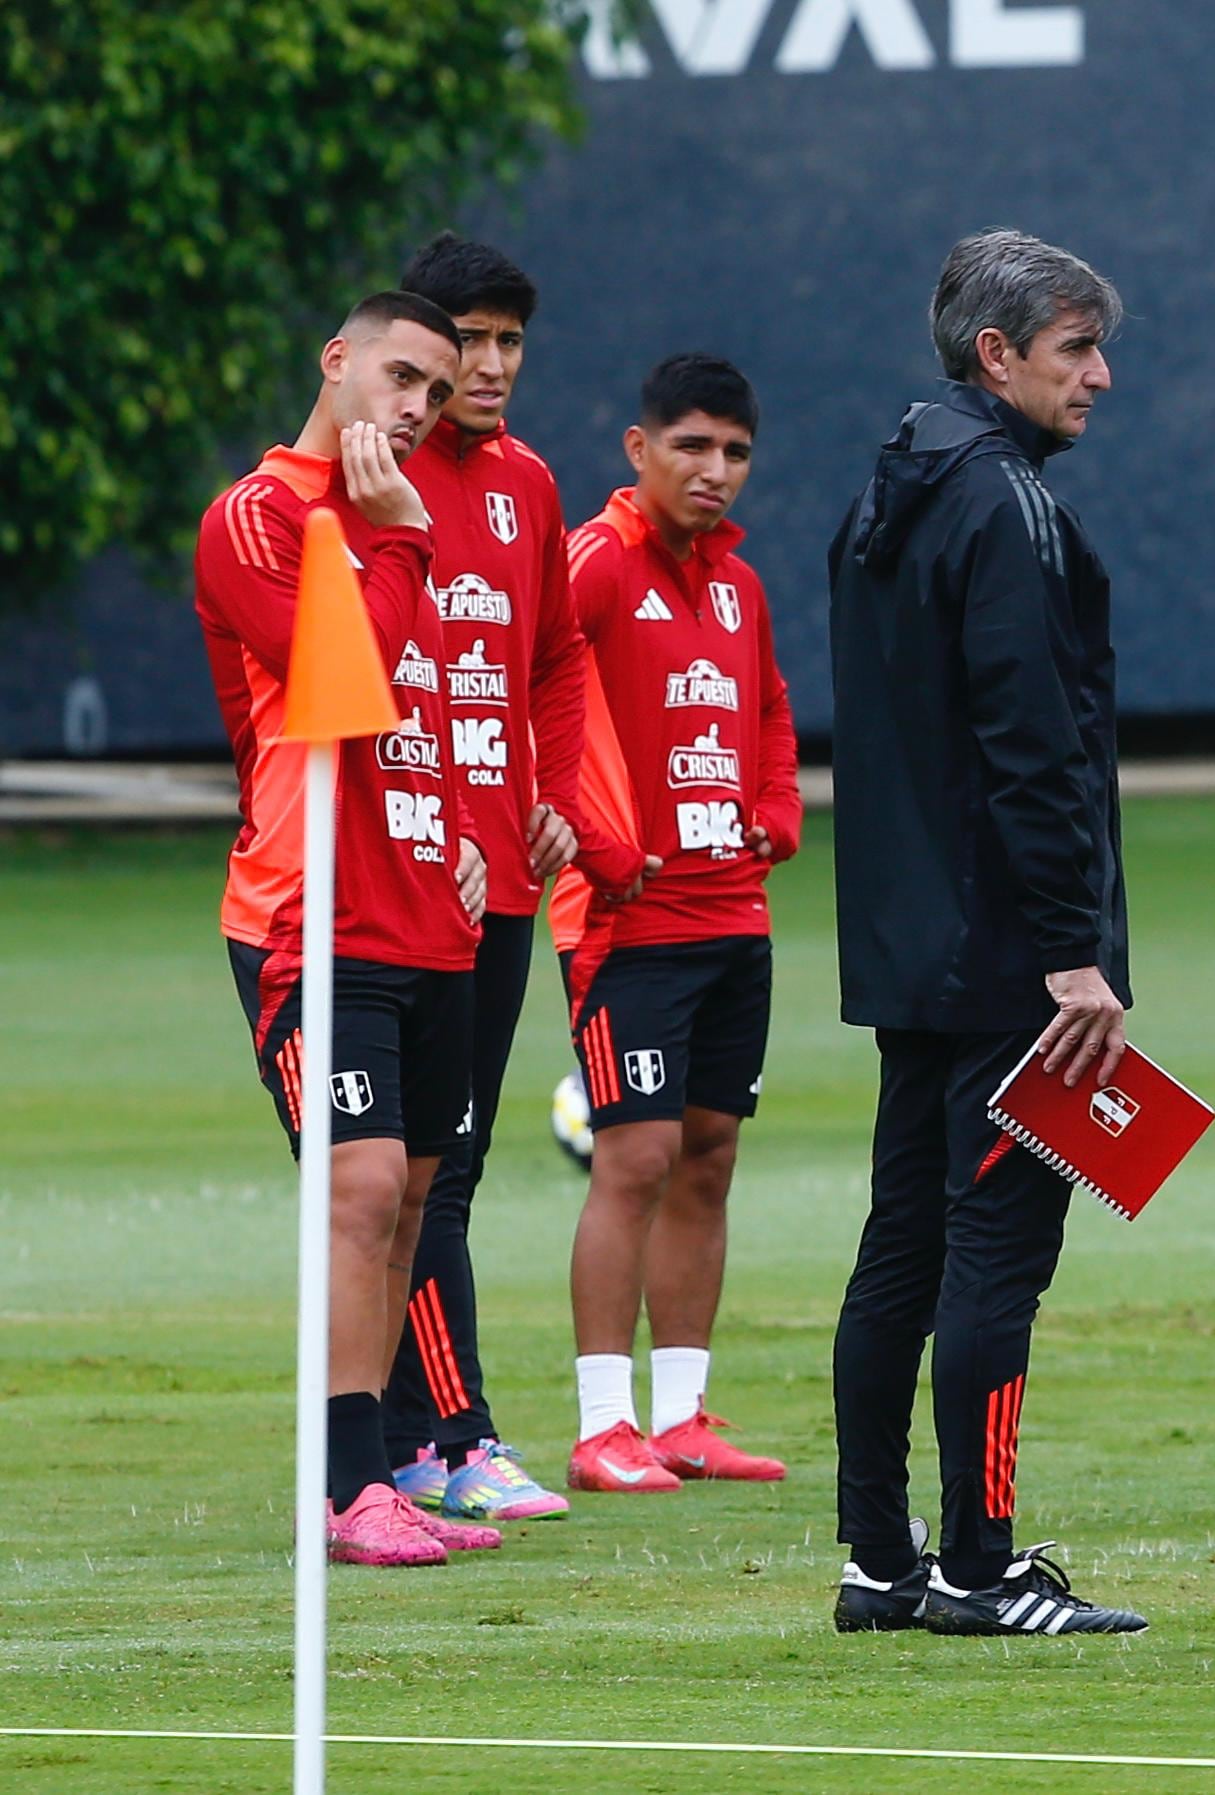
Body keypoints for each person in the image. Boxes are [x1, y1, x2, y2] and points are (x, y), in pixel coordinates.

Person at [824, 230, 1144, 1638]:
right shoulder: (999, 500)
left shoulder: (883, 496)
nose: (1101, 375)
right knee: (995, 1256)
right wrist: (1074, 948)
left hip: (912, 945)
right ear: (994, 356)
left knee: (900, 1245)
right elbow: (1034, 745)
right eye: (1076, 348)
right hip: (1017, 958)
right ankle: (980, 1564)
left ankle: (878, 1558)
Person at [196, 291, 501, 1566]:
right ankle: (344, 1483)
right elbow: (347, 694)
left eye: (435, 390)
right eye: (400, 374)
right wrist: (395, 543)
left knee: (417, 1196)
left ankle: (374, 1472)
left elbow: (431, 714)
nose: (418, 406)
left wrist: (469, 830)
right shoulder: (260, 517)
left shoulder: (402, 526)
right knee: (361, 1184)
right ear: (337, 360)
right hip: (308, 917)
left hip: (426, 910)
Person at [550, 354, 802, 1493]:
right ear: (637, 448)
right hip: (625, 918)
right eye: (691, 446)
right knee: (635, 1156)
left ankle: (682, 1415)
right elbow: (529, 694)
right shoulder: (595, 563)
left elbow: (767, 708)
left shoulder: (737, 585)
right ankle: (603, 1423)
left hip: (729, 914)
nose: (715, 471)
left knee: (708, 1156)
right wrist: (594, 833)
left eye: (735, 451)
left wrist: (776, 805)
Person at [381, 233, 585, 1525]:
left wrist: (549, 795)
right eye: (474, 340)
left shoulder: (528, 486)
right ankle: (453, 1432)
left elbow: (555, 658)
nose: (495, 364)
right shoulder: (380, 482)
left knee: (454, 1156)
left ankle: (415, 1438)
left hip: (503, 881)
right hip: (405, 882)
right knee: (418, 1165)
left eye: (513, 339)